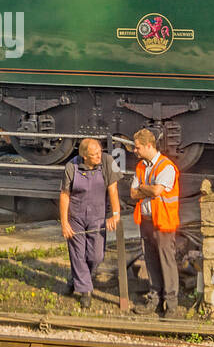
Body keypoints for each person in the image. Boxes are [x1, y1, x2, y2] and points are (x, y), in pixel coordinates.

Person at [59, 138, 121, 309]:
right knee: (77, 254)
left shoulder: (109, 161)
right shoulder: (71, 167)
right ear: (84, 156)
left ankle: (76, 278)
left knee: (96, 255)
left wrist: (115, 214)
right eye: (94, 155)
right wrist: (64, 223)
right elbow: (64, 195)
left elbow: (113, 188)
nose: (99, 156)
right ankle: (86, 291)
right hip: (76, 216)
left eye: (100, 152)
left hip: (98, 215)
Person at [129, 128, 180, 318]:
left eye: (138, 147)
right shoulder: (142, 166)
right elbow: (133, 193)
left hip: (163, 222)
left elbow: (157, 191)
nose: (135, 151)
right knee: (150, 261)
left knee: (167, 261)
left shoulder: (166, 166)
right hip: (147, 221)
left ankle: (171, 304)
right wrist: (146, 189)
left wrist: (142, 187)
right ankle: (155, 299)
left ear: (149, 146)